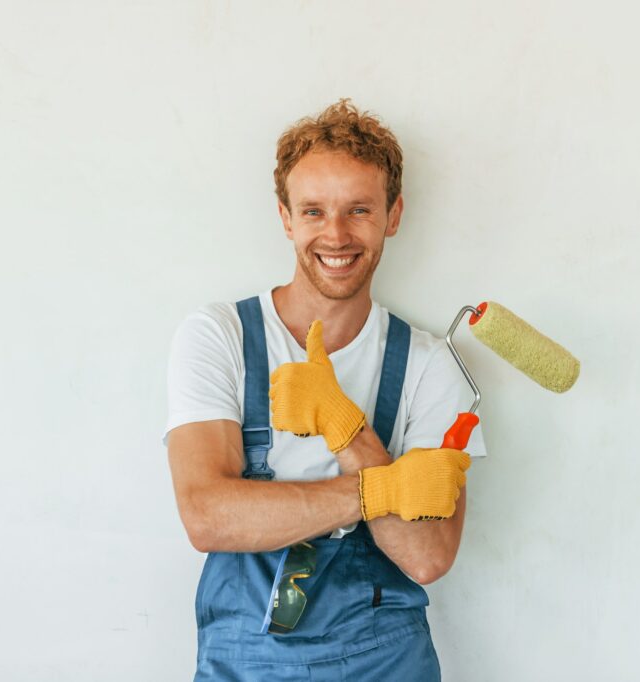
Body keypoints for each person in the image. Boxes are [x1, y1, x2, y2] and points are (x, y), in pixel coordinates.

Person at [163, 98, 487, 680]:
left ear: (393, 214)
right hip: (246, 662)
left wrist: (345, 424)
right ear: (285, 217)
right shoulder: (222, 336)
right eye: (313, 211)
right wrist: (375, 494)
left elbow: (427, 555)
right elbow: (207, 515)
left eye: (358, 209)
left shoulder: (429, 364)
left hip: (386, 661)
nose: (335, 235)